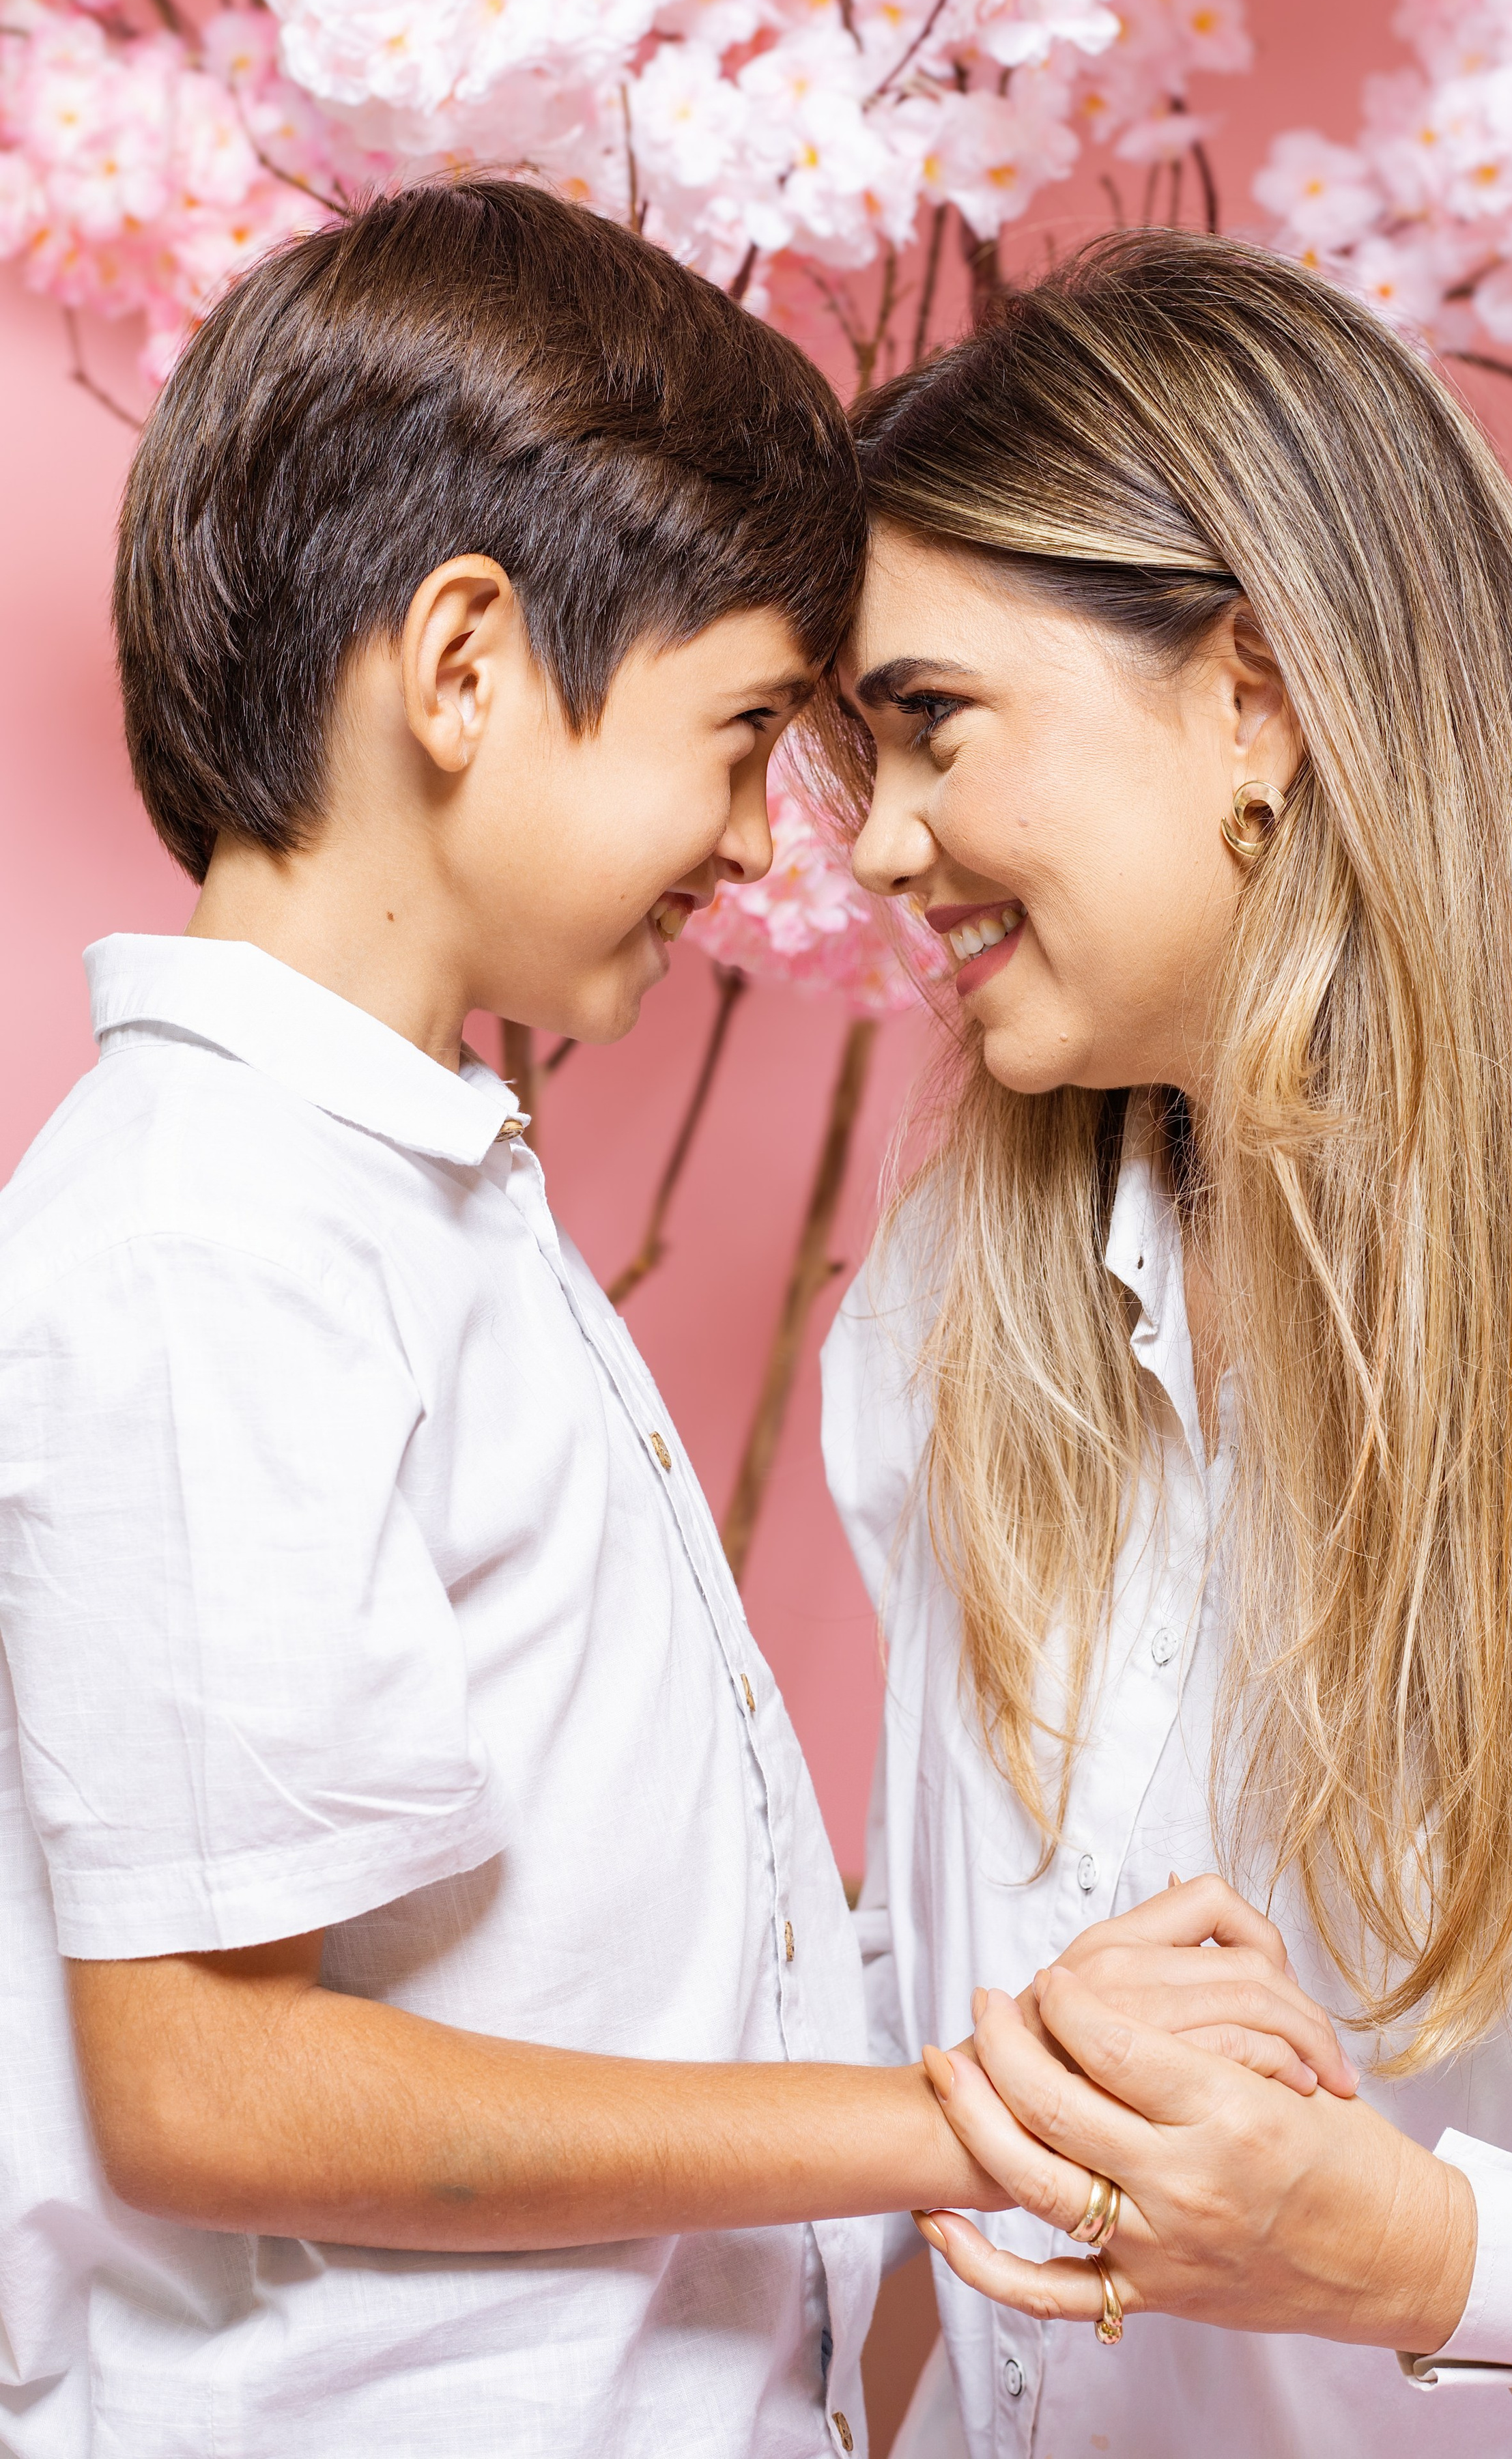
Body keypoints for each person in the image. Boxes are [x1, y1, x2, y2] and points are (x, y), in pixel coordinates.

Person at [0, 176, 1029, 2459]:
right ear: (464, 667)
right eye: (742, 731)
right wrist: (938, 2130)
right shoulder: (211, 1240)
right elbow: (210, 2084)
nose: (768, 843)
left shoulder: (397, 1188)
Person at [821, 228, 1512, 2458]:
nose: (875, 845)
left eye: (933, 724)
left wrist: (1435, 2261)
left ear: (1256, 691)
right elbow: (909, 2026)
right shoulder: (951, 1311)